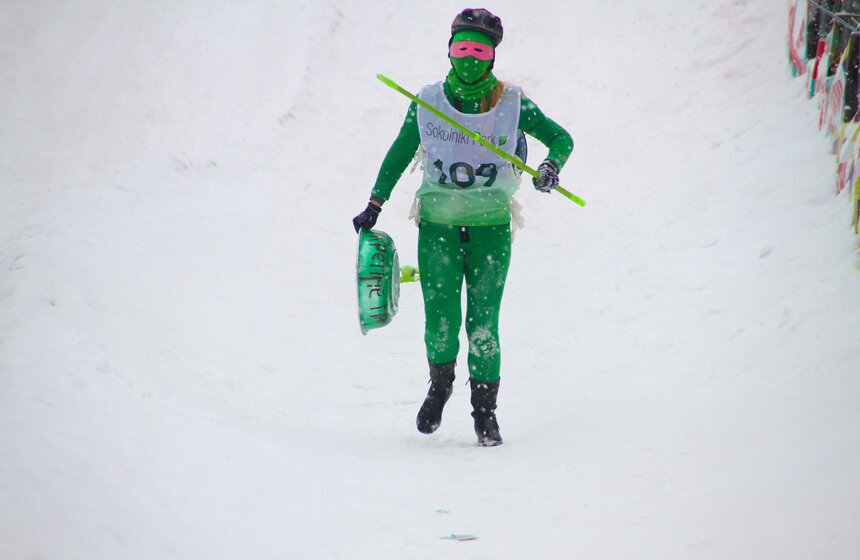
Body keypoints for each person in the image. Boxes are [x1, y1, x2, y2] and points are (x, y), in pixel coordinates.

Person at [353, 8, 573, 446]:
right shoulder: (428, 101)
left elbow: (561, 138)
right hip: (438, 229)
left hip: (491, 229)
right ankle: (440, 385)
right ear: (449, 51)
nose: (469, 57)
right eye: (462, 48)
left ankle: (484, 412)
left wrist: (551, 165)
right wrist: (374, 203)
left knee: (483, 324)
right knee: (440, 321)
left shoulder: (513, 102)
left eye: (480, 50)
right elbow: (400, 152)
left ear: (492, 57)